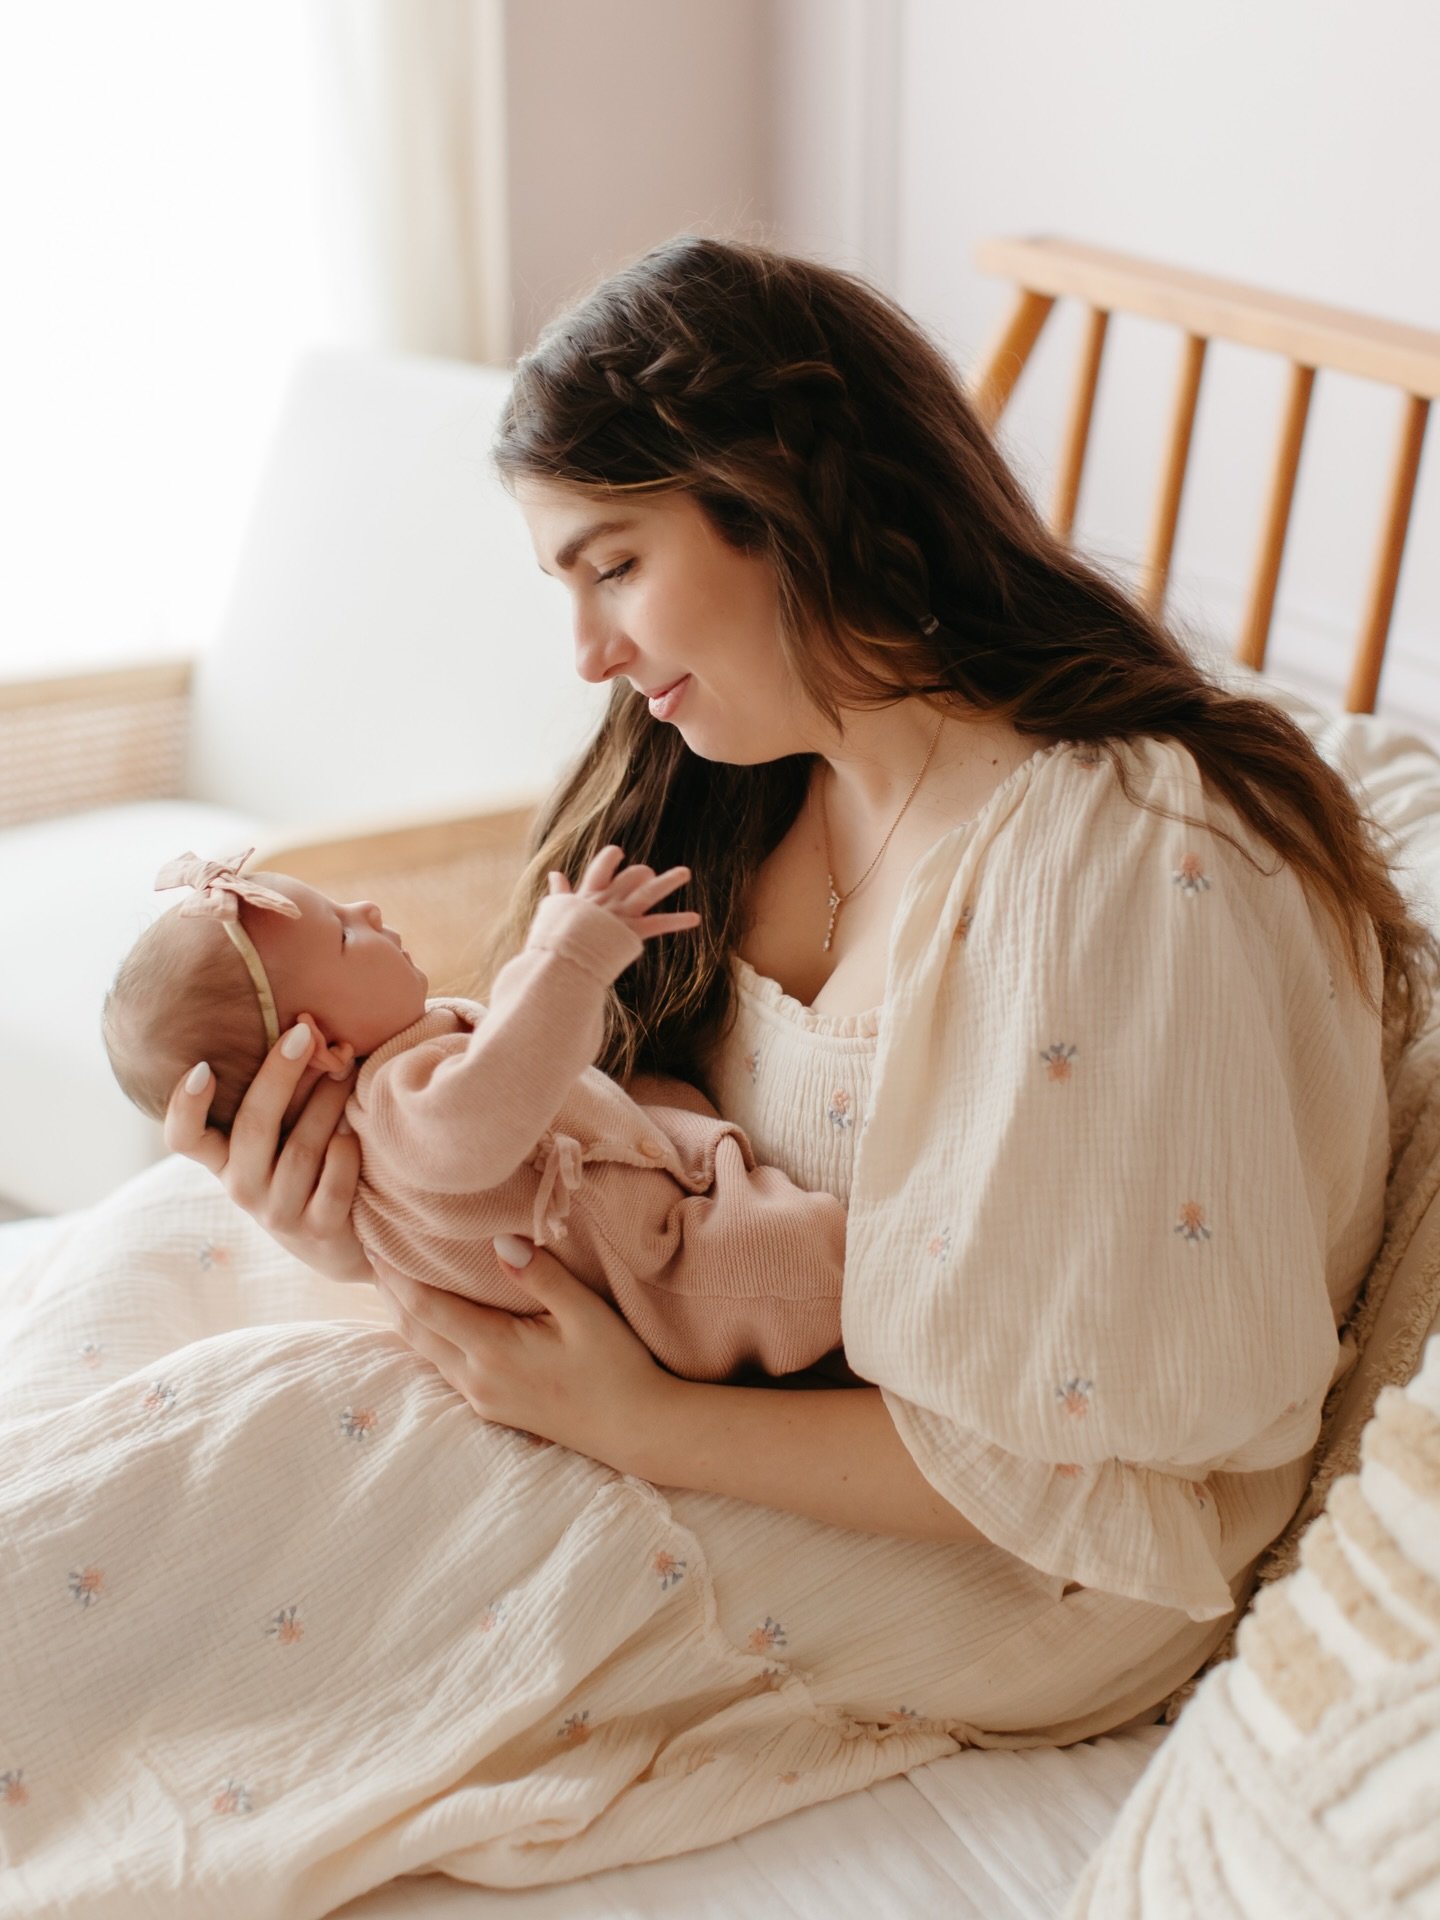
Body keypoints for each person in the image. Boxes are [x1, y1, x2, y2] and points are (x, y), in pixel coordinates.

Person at [23, 233, 1428, 1901]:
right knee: (167, 1262)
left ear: (782, 495)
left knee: (264, 1482)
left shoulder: (1118, 860)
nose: (589, 654)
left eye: (609, 565)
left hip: (1001, 1559)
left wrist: (636, 1419)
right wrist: (342, 1229)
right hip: (674, 1375)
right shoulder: (733, 774)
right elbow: (567, 1156)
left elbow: (1120, 1494)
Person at [102, 845, 846, 1381]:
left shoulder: (397, 1090)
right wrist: (568, 958)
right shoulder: (395, 1108)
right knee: (832, 1265)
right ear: (318, 1045)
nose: (369, 909)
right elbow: (496, 1096)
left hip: (672, 1217)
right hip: (687, 1276)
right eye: (343, 932)